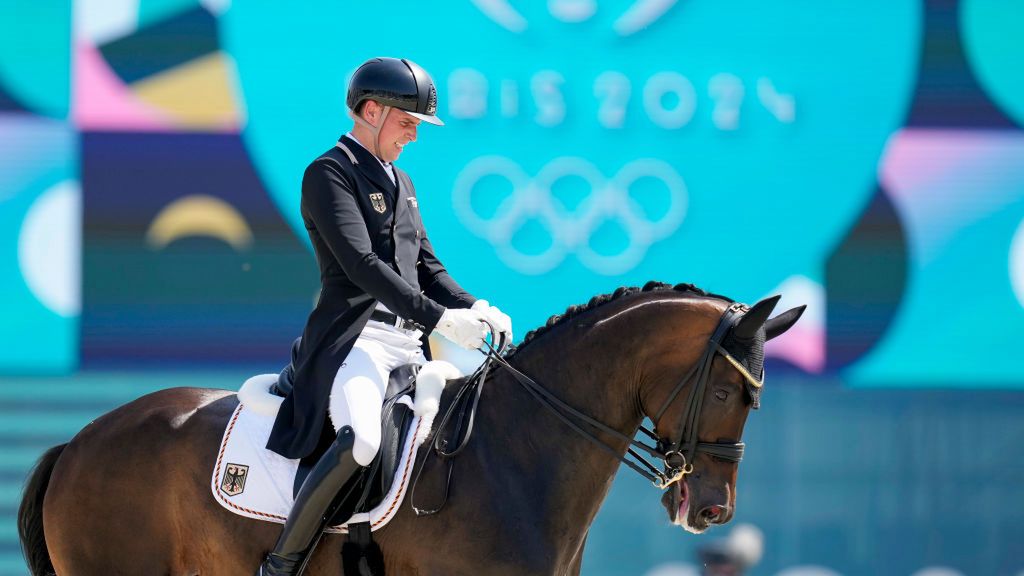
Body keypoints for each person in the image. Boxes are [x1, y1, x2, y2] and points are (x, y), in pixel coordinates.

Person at [257, 57, 513, 576]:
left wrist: (473, 306)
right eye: (407, 122)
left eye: (418, 126)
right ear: (371, 111)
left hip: (409, 347)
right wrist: (443, 320)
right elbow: (362, 266)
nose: (413, 136)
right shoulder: (329, 174)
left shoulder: (403, 180)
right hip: (355, 343)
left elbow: (426, 265)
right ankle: (282, 563)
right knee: (364, 440)